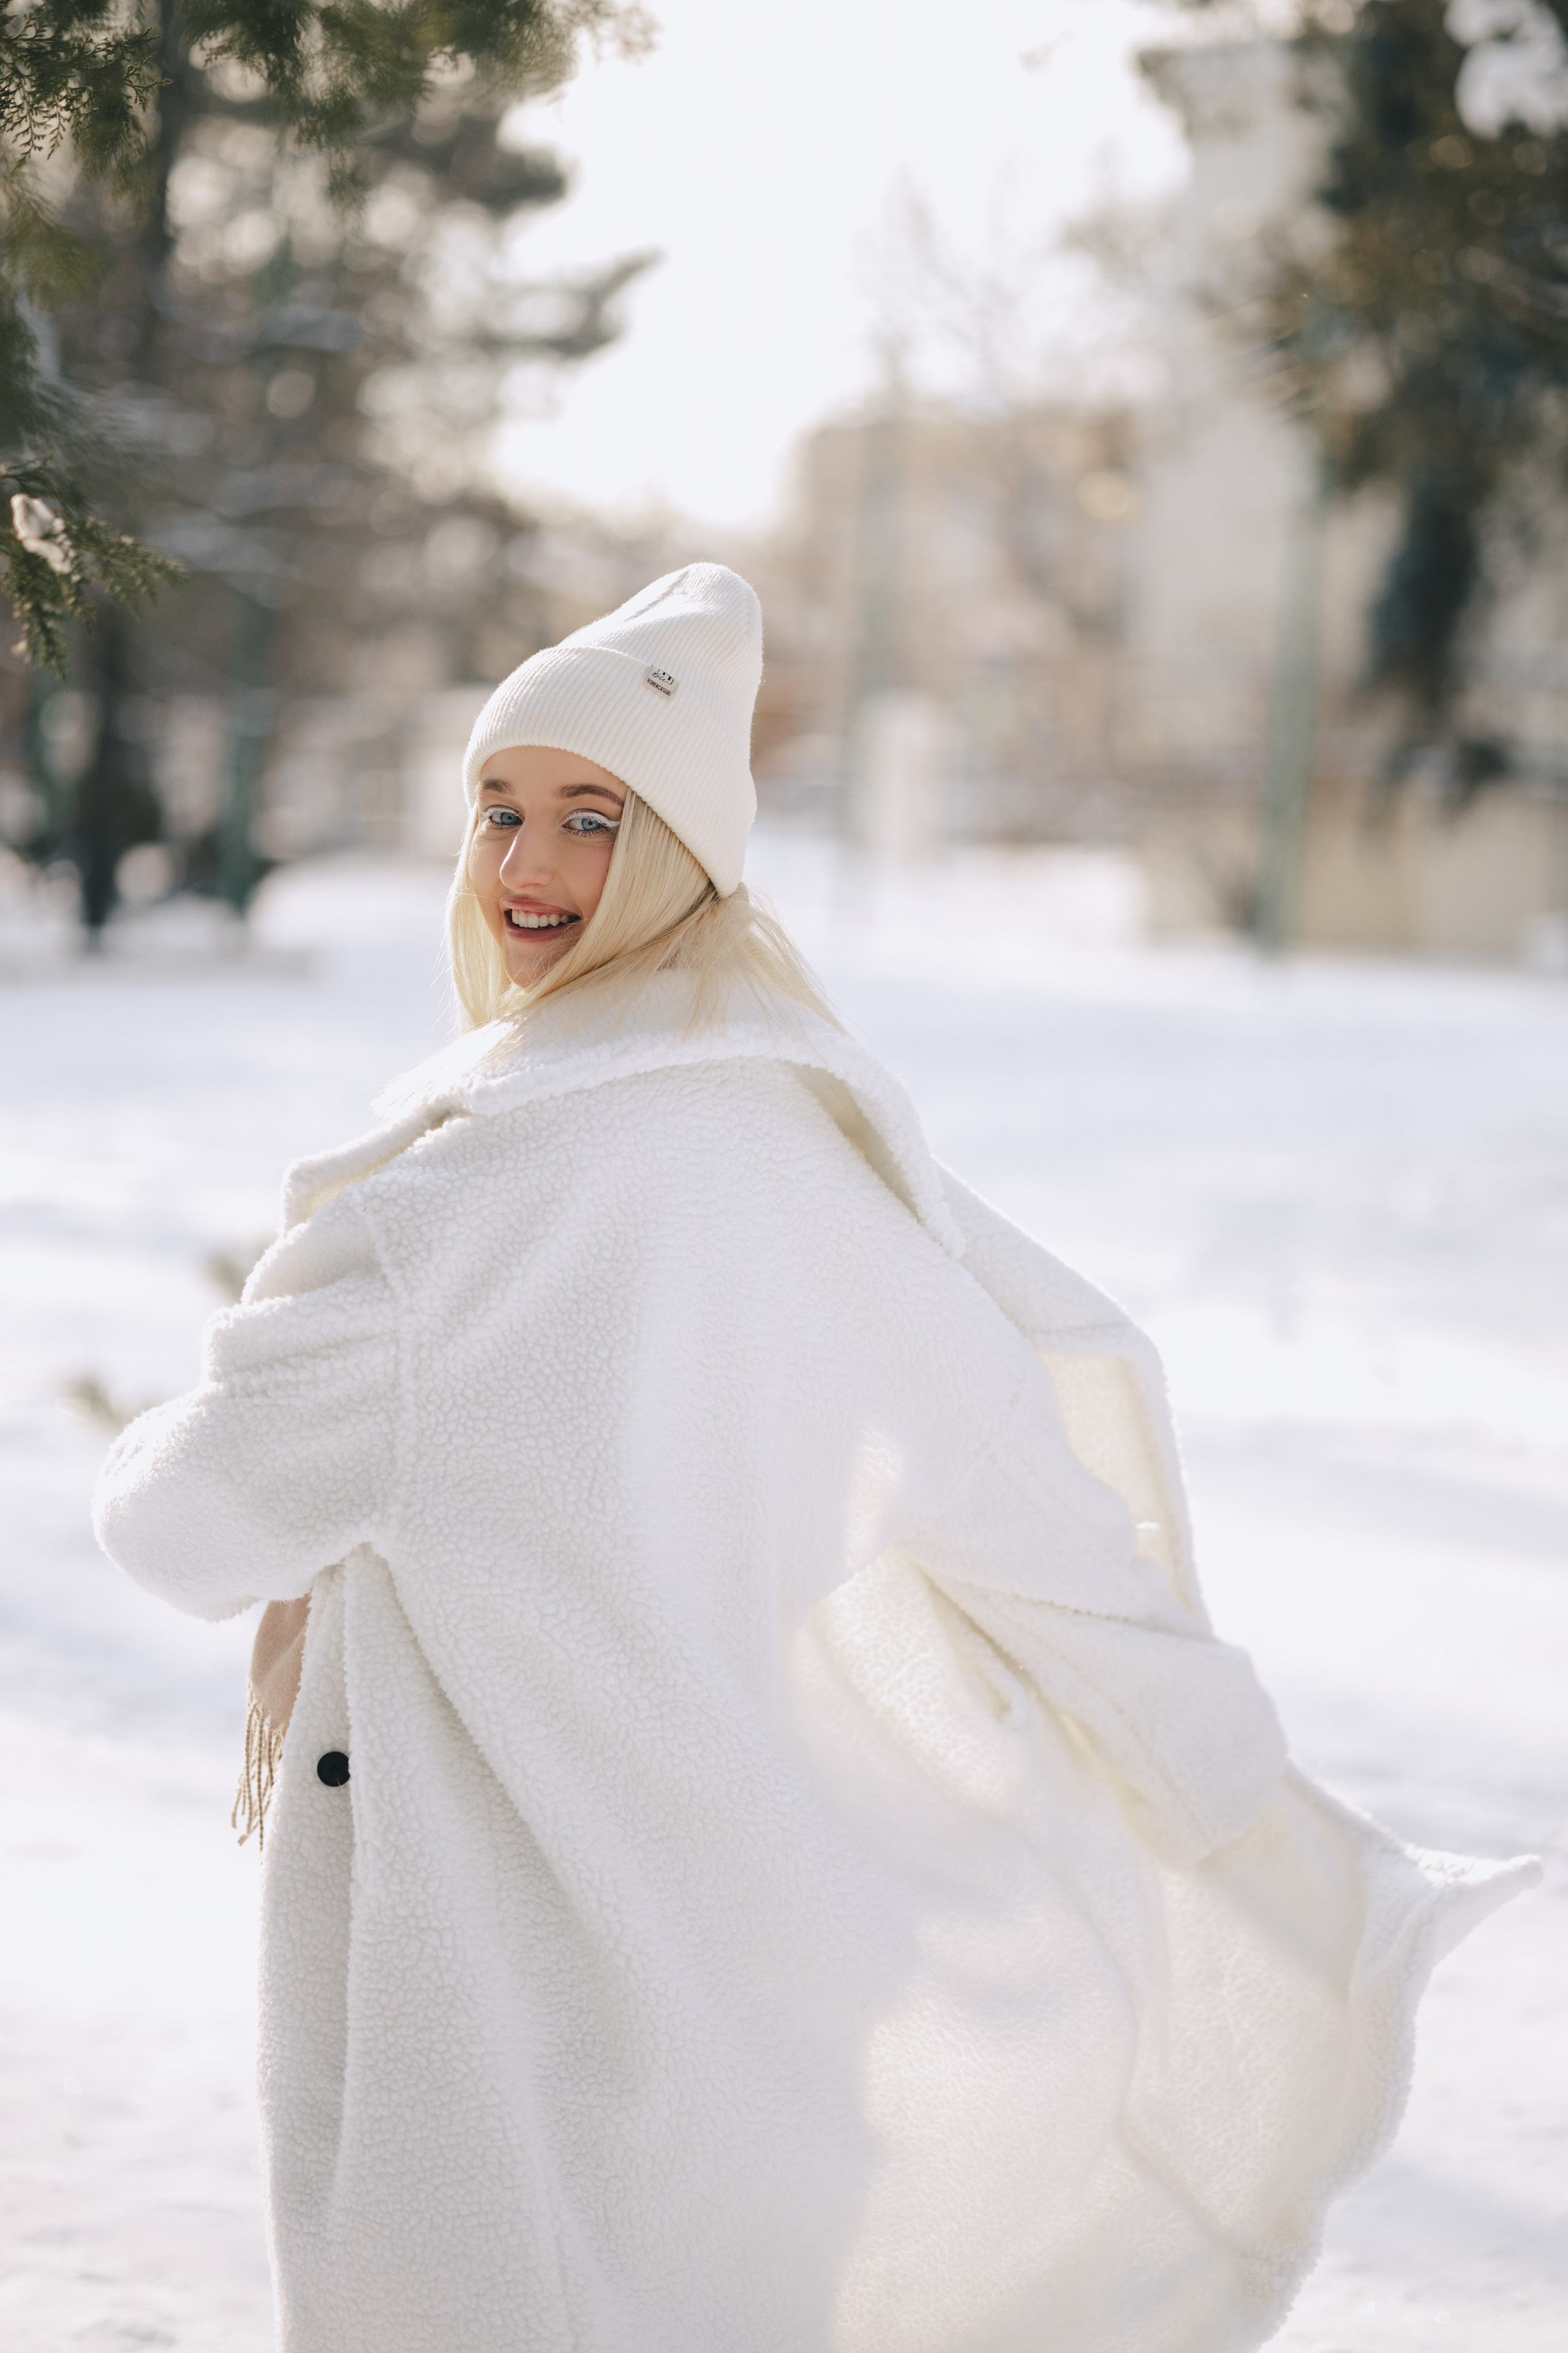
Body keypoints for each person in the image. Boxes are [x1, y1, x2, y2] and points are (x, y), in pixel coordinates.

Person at [94, 565, 1533, 2353]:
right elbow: (1033, 1519)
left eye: (593, 818)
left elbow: (185, 1527)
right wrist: (1243, 1808)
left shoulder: (440, 1224)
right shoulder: (804, 1156)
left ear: (683, 852)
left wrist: (211, 1400)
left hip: (488, 1992)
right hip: (757, 1986)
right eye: (499, 807)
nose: (525, 864)